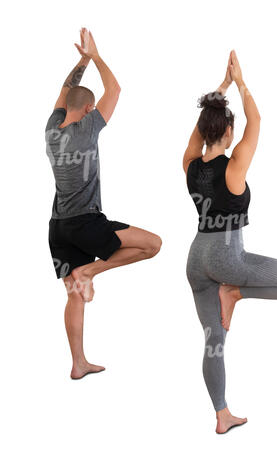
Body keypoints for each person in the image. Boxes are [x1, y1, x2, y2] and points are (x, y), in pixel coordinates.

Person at [184, 51, 277, 434]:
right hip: (227, 256)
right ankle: (236, 294)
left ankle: (222, 415)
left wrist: (218, 92)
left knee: (214, 341)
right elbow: (256, 121)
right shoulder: (233, 165)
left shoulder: (190, 165)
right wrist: (239, 83)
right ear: (227, 132)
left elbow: (199, 133)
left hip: (195, 258)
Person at [46, 28, 162, 380]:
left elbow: (66, 91)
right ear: (89, 109)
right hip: (86, 222)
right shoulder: (87, 127)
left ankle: (78, 363)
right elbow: (115, 90)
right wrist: (95, 56)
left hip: (58, 226)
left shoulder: (51, 128)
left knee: (74, 296)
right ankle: (92, 271)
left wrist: (81, 61)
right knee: (153, 244)